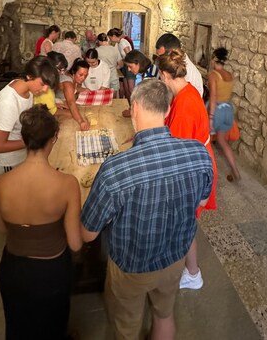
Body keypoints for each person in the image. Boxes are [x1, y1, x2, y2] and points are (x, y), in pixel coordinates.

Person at [81, 80, 214, 340]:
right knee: (164, 315)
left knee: (126, 326)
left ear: (136, 107)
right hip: (175, 258)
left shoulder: (115, 168)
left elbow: (87, 235)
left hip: (132, 266)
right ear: (167, 111)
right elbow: (199, 203)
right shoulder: (199, 153)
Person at [0, 104, 82, 340]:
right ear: (54, 138)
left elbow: (2, 229)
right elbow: (75, 243)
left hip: (13, 269)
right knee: (53, 326)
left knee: (19, 326)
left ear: (23, 138)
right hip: (51, 270)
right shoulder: (67, 183)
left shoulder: (1, 184)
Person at [157, 48, 218, 290]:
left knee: (185, 222)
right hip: (198, 161)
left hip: (193, 170)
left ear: (164, 74)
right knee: (187, 223)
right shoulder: (188, 90)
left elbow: (177, 154)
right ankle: (192, 272)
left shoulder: (184, 105)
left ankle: (192, 273)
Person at [0, 56, 58, 178]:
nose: (45, 89)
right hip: (8, 161)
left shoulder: (27, 90)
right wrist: (36, 141)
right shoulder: (8, 102)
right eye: (42, 84)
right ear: (29, 76)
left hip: (21, 155)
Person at [209, 47, 241, 181]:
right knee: (222, 141)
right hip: (228, 110)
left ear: (214, 59)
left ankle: (208, 174)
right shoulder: (229, 75)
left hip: (217, 111)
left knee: (206, 142)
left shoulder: (213, 75)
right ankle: (235, 171)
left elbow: (214, 97)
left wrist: (210, 118)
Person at [155, 33, 204, 98]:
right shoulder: (174, 65)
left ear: (172, 53)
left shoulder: (185, 72)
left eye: (161, 56)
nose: (159, 59)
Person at [34, 51, 68, 116]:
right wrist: (70, 113)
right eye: (60, 69)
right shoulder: (45, 85)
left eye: (63, 70)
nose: (62, 73)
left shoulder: (44, 79)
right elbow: (51, 112)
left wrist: (54, 105)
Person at [61, 58, 90, 131]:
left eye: (85, 75)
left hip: (64, 105)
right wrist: (81, 122)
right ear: (74, 72)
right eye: (81, 75)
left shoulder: (73, 77)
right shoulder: (67, 82)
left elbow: (74, 90)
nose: (83, 78)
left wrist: (84, 90)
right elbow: (71, 102)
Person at [107, 28, 135, 100]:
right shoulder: (118, 44)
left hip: (130, 65)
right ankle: (127, 104)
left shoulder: (123, 42)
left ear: (113, 36)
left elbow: (130, 55)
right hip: (126, 65)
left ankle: (134, 104)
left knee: (130, 89)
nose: (110, 40)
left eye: (110, 38)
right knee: (126, 87)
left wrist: (123, 63)